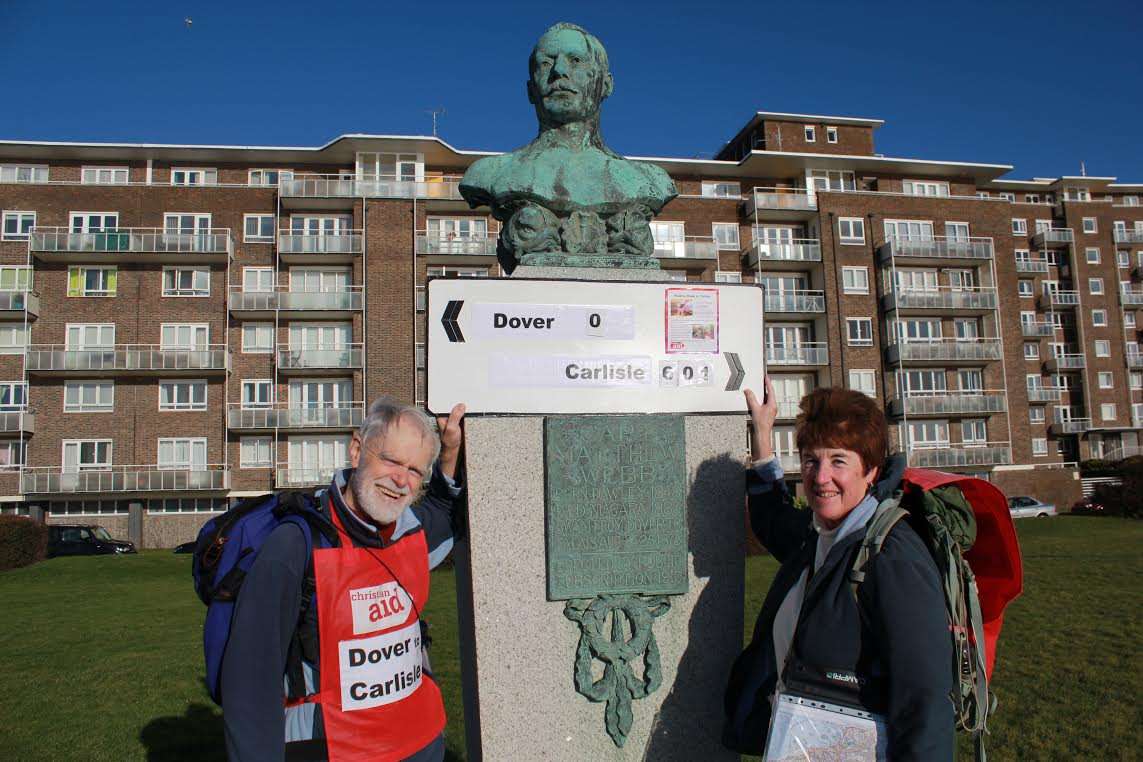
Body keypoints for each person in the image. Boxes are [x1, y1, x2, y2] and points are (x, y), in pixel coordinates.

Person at [221, 397, 466, 762]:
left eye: (415, 470)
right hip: (335, 749)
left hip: (421, 742)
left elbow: (445, 513)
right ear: (356, 450)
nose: (401, 479)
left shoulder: (411, 533)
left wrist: (450, 451)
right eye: (391, 460)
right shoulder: (294, 546)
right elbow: (250, 684)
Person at [723, 378, 954, 758]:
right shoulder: (818, 535)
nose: (821, 476)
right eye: (812, 459)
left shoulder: (892, 556)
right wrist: (762, 432)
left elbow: (924, 700)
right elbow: (772, 519)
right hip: (801, 743)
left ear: (872, 472)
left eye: (839, 461)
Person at [459, 22, 677, 270]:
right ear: (531, 89)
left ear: (605, 85)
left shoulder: (649, 180)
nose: (559, 71)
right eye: (546, 63)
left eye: (575, 60)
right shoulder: (492, 174)